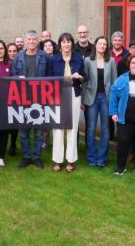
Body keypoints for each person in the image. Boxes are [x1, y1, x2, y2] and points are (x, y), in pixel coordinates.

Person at [11, 30, 50, 169]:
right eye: (29, 40)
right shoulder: (18, 58)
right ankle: (27, 156)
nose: (31, 42)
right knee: (23, 130)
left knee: (39, 130)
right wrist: (17, 78)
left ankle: (37, 157)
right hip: (23, 98)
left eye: (34, 39)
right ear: (25, 41)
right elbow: (13, 74)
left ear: (38, 40)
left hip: (40, 97)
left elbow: (50, 76)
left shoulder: (44, 56)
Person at [48, 33, 86, 172]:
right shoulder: (54, 59)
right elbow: (48, 78)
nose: (66, 44)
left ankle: (70, 160)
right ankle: (57, 160)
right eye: (63, 42)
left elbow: (84, 77)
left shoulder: (78, 58)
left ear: (72, 44)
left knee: (72, 128)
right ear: (60, 44)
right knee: (57, 128)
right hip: (57, 94)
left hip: (73, 93)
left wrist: (79, 76)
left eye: (68, 41)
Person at [110, 54, 135, 175]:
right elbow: (113, 94)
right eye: (133, 63)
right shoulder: (122, 78)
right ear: (129, 65)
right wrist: (113, 112)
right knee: (123, 142)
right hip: (124, 117)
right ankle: (120, 167)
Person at [82, 36, 117, 167]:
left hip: (106, 98)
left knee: (106, 129)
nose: (102, 46)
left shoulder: (111, 61)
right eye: (100, 43)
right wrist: (82, 100)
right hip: (92, 97)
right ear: (95, 45)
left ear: (107, 47)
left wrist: (114, 101)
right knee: (90, 129)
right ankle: (91, 158)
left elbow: (114, 82)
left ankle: (101, 159)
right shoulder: (87, 60)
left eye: (104, 44)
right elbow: (84, 81)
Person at [6, 42, 20, 156]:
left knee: (15, 122)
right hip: (4, 95)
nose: (12, 53)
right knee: (4, 122)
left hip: (17, 95)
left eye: (14, 51)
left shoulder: (20, 62)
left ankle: (13, 144)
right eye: (10, 51)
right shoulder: (4, 63)